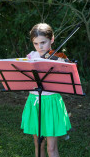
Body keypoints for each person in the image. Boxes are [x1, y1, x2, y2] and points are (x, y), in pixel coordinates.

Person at [21, 23, 71, 157]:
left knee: (51, 148)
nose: (40, 47)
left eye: (43, 42)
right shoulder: (31, 56)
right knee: (39, 144)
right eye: (36, 43)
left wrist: (60, 61)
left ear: (52, 39)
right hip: (35, 102)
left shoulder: (59, 57)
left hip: (51, 104)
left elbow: (69, 71)